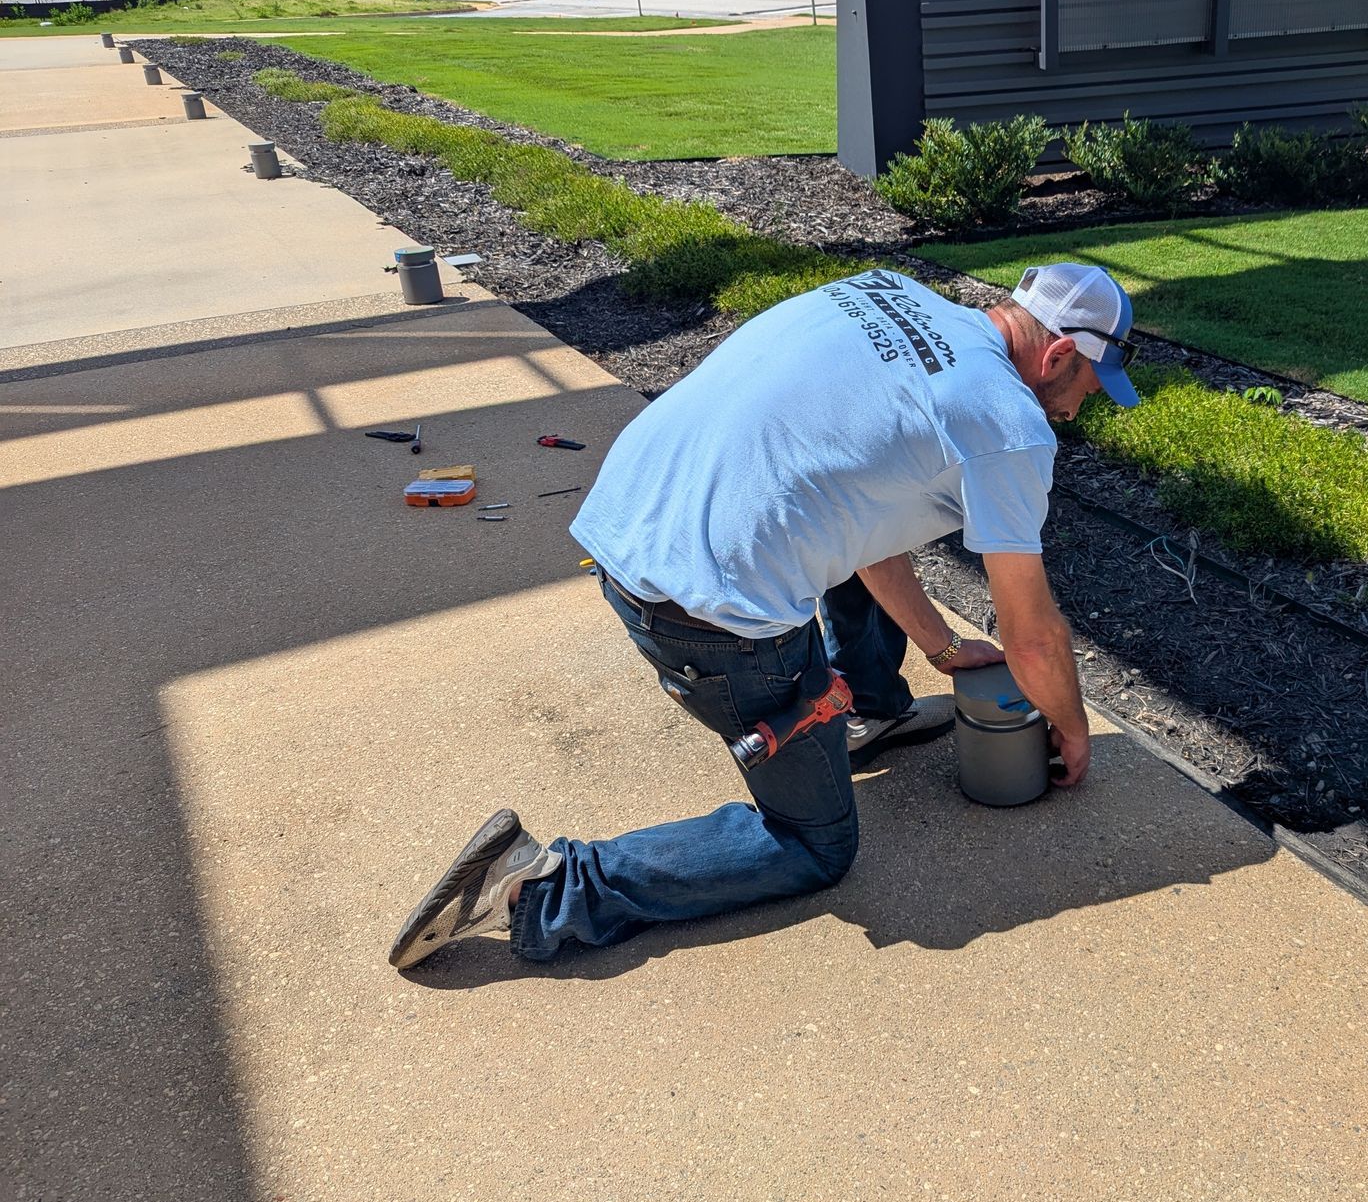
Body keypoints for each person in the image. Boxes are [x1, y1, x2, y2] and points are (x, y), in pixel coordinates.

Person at [388, 262, 1140, 970]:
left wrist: (941, 649)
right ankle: (540, 888)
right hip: (704, 620)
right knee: (815, 846)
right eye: (1092, 387)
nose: (1080, 408)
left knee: (873, 496)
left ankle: (868, 708)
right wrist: (1070, 727)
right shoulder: (1008, 421)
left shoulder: (888, 291)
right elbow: (1033, 635)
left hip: (629, 527)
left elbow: (868, 527)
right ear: (1059, 354)